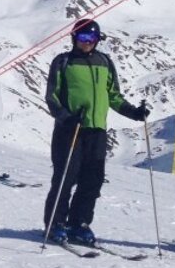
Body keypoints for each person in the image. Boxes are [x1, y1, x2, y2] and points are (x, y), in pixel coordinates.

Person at [43, 19, 149, 245]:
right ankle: (55, 223)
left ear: (98, 40)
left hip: (96, 131)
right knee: (65, 178)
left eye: (91, 39)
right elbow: (51, 97)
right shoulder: (63, 62)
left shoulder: (105, 62)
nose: (87, 43)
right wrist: (67, 118)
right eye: (82, 39)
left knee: (93, 180)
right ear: (74, 39)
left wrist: (134, 113)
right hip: (70, 130)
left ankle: (79, 223)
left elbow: (113, 96)